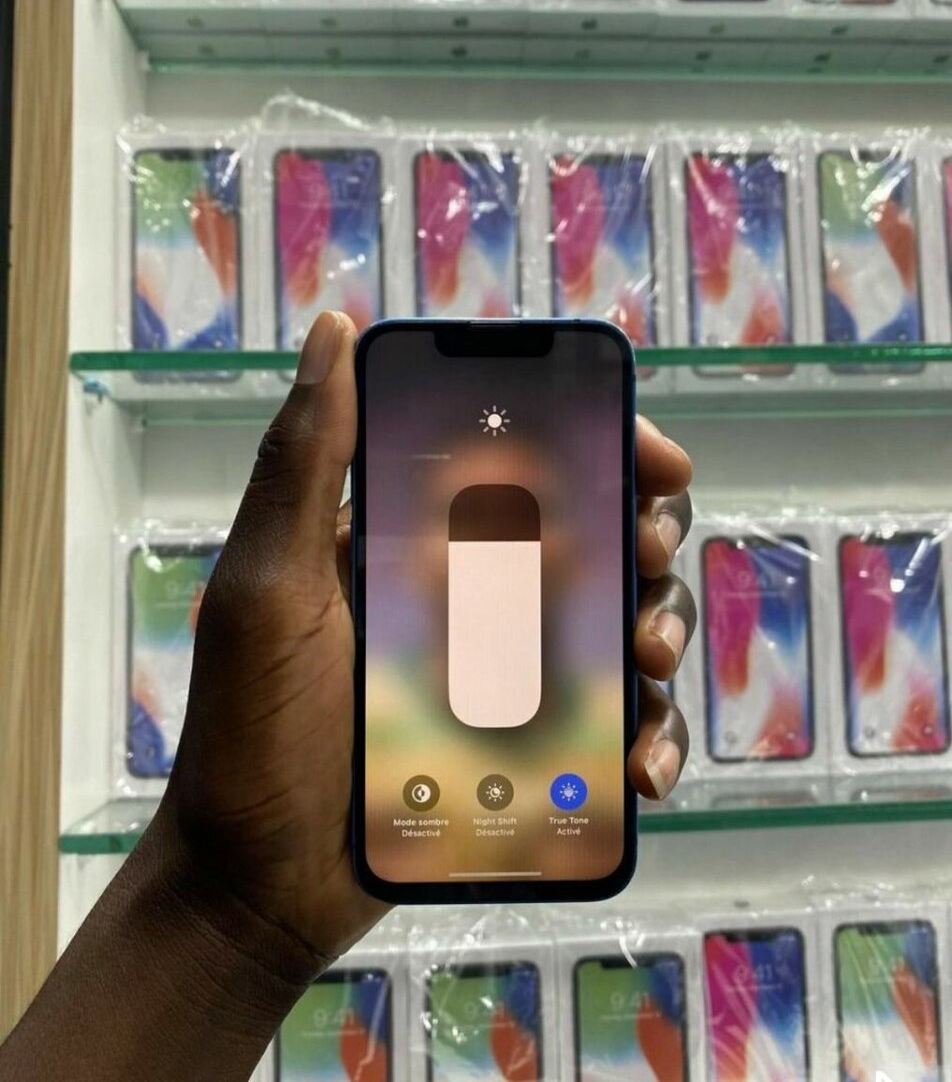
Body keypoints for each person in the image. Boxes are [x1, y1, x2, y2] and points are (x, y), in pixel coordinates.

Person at [0, 312, 696, 1082]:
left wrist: (230, 915)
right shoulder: (386, 715)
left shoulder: (572, 708)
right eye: (454, 525)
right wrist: (227, 904)